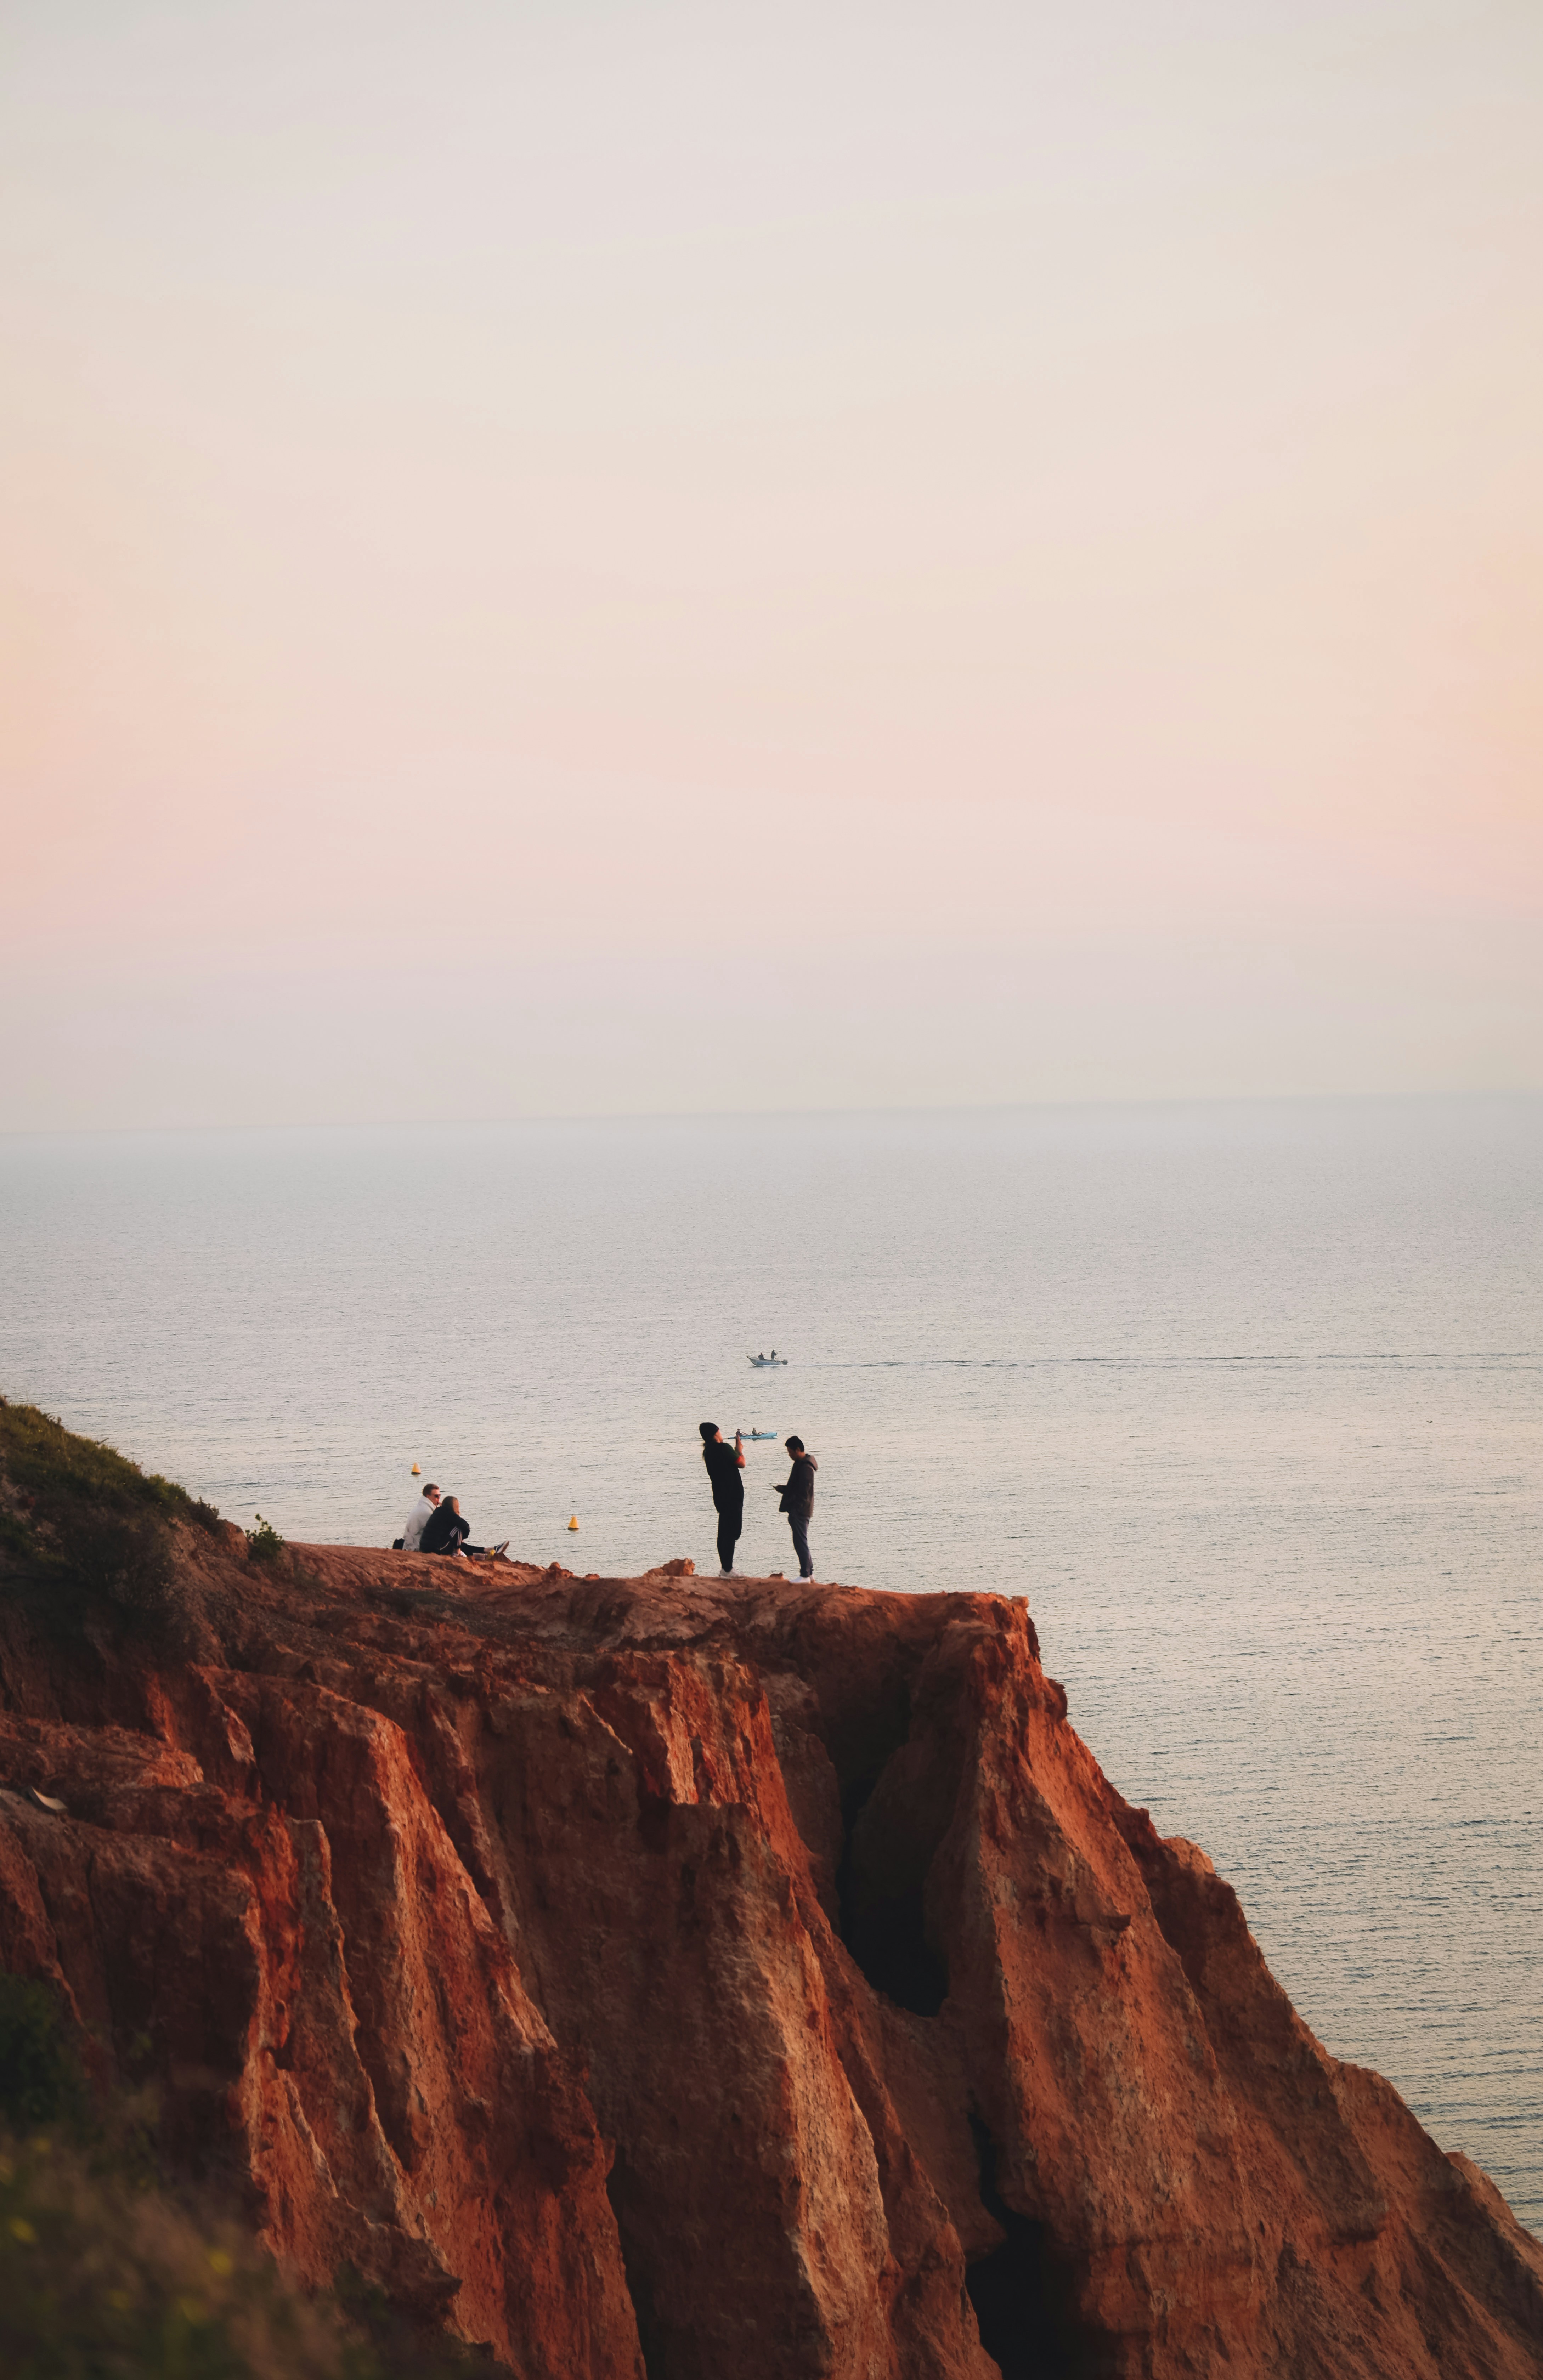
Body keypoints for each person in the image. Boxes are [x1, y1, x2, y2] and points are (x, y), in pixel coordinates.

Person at [699, 1422, 745, 1578]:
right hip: (733, 1495)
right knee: (733, 1532)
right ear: (715, 1434)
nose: (721, 1433)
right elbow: (742, 1463)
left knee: (724, 1532)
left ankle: (725, 1568)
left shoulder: (708, 1452)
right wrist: (739, 1450)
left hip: (720, 1496)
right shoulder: (724, 1448)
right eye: (719, 1431)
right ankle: (728, 1569)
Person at [775, 1436, 817, 1581]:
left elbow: (804, 1492)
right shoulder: (802, 1464)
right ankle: (809, 1572)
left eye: (790, 1452)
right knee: (801, 1541)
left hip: (800, 1511)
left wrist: (796, 1510)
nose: (789, 1455)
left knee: (800, 1542)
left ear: (798, 1450)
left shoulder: (805, 1467)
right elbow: (797, 1487)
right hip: (802, 1509)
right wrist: (783, 1489)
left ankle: (805, 1575)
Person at [420, 1495, 509, 1561]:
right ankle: (458, 1553)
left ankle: (488, 1550)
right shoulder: (448, 1513)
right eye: (458, 1507)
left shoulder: (439, 1513)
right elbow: (465, 1526)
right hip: (436, 1549)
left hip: (426, 1547)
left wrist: (459, 1540)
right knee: (459, 1530)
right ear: (453, 1507)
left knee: (457, 1540)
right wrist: (462, 1537)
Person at [397, 1481, 441, 1552]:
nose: (439, 1498)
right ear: (428, 1496)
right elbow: (440, 1529)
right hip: (416, 1548)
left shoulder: (422, 1506)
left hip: (411, 1544)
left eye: (440, 1496)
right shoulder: (426, 1512)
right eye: (436, 1496)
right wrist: (445, 1510)